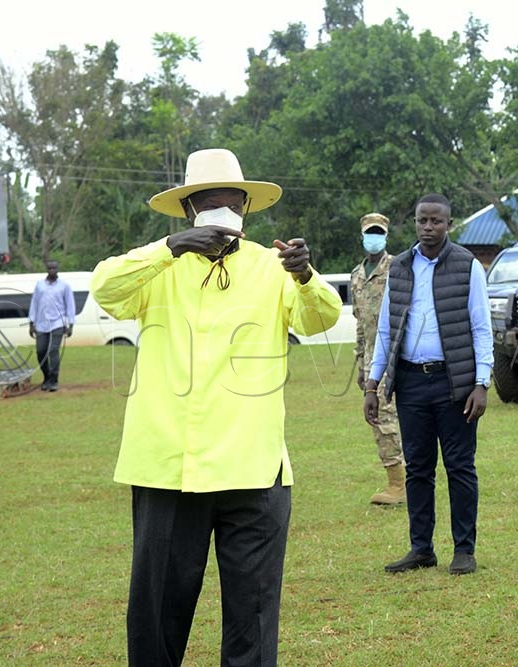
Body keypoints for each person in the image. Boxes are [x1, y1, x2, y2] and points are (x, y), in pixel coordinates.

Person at [90, 148, 342, 666]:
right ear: (188, 211)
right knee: (159, 612)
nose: (222, 214)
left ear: (246, 210)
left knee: (252, 612)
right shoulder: (155, 268)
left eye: (233, 204)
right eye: (209, 203)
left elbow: (321, 319)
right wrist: (167, 248)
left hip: (253, 468)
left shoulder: (273, 268)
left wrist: (305, 275)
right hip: (167, 467)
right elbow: (104, 290)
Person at [363, 193, 493, 576]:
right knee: (418, 469)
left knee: (459, 467)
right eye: (422, 221)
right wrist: (373, 384)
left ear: (448, 224)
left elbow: (481, 327)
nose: (428, 228)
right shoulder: (401, 268)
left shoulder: (467, 266)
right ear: (415, 222)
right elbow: (386, 331)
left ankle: (464, 550)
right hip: (410, 382)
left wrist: (482, 383)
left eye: (436, 221)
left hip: (455, 383)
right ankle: (421, 549)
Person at [351, 212, 406, 505]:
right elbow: (360, 323)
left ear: (385, 236)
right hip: (373, 359)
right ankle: (398, 480)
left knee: (388, 417)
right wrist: (361, 363)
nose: (374, 237)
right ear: (362, 236)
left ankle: (399, 484)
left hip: (398, 353)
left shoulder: (398, 268)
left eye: (378, 232)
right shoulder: (357, 276)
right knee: (380, 418)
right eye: (369, 232)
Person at [28, 259, 75, 392]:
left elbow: (70, 305)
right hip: (41, 324)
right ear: (47, 269)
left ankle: (54, 380)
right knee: (40, 351)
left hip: (58, 323)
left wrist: (70, 324)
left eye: (55, 268)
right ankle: (47, 377)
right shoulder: (40, 285)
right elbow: (34, 304)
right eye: (50, 268)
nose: (52, 271)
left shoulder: (64, 286)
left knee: (53, 351)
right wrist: (31, 323)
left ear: (58, 269)